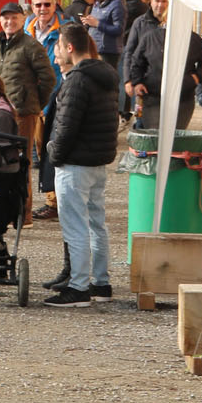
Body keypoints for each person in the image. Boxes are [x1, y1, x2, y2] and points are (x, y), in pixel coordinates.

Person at [43, 23, 119, 307]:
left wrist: (54, 154)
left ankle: (78, 287)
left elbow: (66, 126)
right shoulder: (107, 75)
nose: (57, 51)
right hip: (97, 161)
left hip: (75, 163)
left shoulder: (76, 79)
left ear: (70, 48)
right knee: (96, 224)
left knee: (75, 227)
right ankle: (101, 283)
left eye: (59, 46)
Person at [0, 1, 54, 221]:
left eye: (14, 17)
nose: (10, 21)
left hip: (24, 113)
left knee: (21, 163)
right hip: (0, 113)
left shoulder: (31, 46)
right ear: (0, 21)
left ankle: (23, 213)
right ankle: (5, 208)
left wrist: (34, 104)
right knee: (2, 162)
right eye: (5, 18)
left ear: (23, 19)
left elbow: (48, 79)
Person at [121, 0, 202, 131]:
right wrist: (130, 80)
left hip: (180, 93)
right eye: (157, 1)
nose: (160, 5)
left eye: (164, 1)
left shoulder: (186, 33)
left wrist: (196, 77)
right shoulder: (141, 24)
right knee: (144, 125)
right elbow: (131, 54)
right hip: (148, 89)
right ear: (151, 1)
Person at [27, 0, 65, 222]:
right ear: (32, 7)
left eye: (47, 5)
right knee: (32, 153)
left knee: (51, 152)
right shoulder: (26, 30)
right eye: (38, 5)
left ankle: (55, 202)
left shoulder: (64, 31)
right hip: (31, 101)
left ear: (55, 5)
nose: (43, 9)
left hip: (55, 100)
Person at [81, 0, 125, 75]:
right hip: (94, 48)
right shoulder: (98, 3)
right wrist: (88, 22)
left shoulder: (117, 4)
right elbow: (96, 22)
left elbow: (118, 29)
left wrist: (97, 24)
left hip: (107, 51)